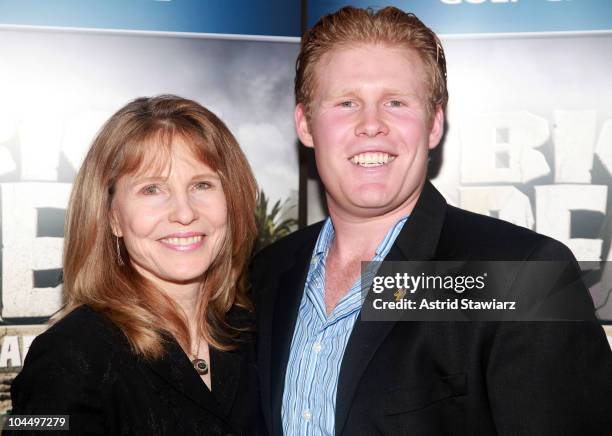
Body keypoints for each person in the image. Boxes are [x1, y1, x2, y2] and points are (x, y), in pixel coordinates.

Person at [250, 6, 612, 436]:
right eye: (346, 102)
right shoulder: (268, 273)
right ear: (306, 125)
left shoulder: (519, 278)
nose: (371, 125)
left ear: (435, 124)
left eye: (396, 102)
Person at [9, 95, 261, 435]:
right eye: (152, 189)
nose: (184, 212)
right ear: (112, 216)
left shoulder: (254, 331)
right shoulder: (69, 352)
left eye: (202, 184)